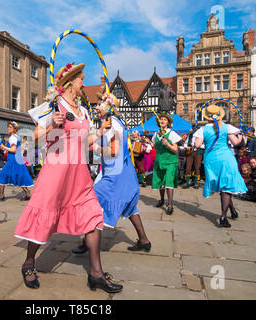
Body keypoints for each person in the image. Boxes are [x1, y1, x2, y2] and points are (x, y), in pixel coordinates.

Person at [14, 62, 122, 293]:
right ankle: (29, 262)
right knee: (44, 218)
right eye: (81, 79)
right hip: (56, 172)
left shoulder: (83, 110)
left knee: (93, 217)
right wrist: (51, 125)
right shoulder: (53, 106)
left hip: (79, 174)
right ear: (71, 81)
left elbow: (83, 142)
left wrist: (101, 132)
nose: (84, 83)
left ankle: (96, 274)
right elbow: (33, 140)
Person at [72, 93, 151, 255]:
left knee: (90, 203)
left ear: (108, 107)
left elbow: (114, 152)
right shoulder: (111, 123)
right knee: (129, 207)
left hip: (115, 176)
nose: (95, 107)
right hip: (122, 174)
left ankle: (87, 241)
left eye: (99, 104)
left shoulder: (112, 126)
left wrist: (97, 149)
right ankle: (144, 241)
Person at [194, 104, 247, 228]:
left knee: (223, 186)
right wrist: (240, 136)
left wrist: (198, 138)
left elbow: (197, 145)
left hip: (211, 159)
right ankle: (223, 216)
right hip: (226, 158)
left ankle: (232, 211)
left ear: (207, 116)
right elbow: (236, 142)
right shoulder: (227, 127)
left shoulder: (203, 129)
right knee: (227, 185)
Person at [0, 121, 33, 201]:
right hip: (16, 159)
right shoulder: (16, 137)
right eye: (8, 127)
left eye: (10, 127)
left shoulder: (13, 137)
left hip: (13, 160)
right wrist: (4, 147)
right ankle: (28, 194)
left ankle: (1, 195)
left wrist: (4, 147)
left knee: (1, 175)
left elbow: (13, 150)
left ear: (14, 129)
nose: (8, 128)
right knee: (18, 176)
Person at [151, 113, 182, 215]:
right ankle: (161, 200)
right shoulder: (156, 134)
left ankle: (170, 204)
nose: (162, 121)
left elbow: (175, 150)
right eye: (161, 119)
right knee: (160, 183)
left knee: (169, 182)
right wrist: (150, 143)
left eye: (164, 119)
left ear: (168, 122)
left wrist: (167, 144)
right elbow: (156, 147)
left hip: (170, 162)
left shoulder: (172, 134)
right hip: (159, 161)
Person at [182, 124, 205, 189]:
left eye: (195, 128)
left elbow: (204, 146)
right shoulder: (190, 136)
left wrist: (197, 145)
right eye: (193, 128)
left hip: (198, 152)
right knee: (188, 167)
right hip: (190, 153)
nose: (193, 129)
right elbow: (185, 144)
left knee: (197, 167)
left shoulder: (202, 136)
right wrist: (187, 147)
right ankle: (187, 183)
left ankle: (195, 183)